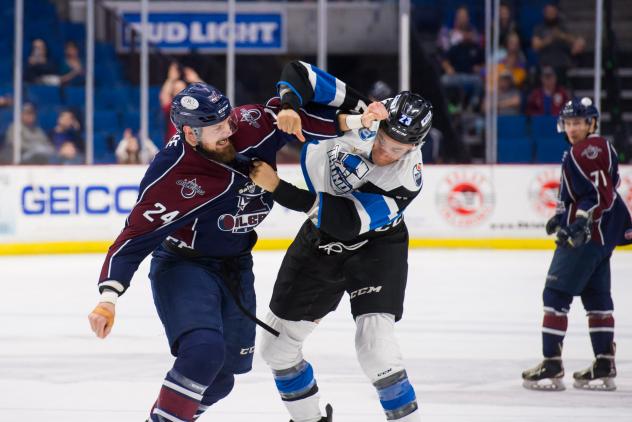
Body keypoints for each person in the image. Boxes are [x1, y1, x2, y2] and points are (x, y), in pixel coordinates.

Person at [87, 81, 377, 422]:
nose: (228, 130)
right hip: (185, 265)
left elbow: (298, 116)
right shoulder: (171, 174)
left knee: (223, 378)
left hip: (236, 266)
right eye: (216, 128)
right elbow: (135, 236)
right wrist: (109, 297)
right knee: (204, 353)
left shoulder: (249, 124)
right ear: (190, 134)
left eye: (227, 120)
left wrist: (357, 120)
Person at [249, 60, 432, 422]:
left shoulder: (406, 180)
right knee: (275, 348)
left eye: (397, 149)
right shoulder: (358, 110)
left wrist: (276, 188)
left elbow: (346, 223)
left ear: (415, 147)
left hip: (377, 247)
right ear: (378, 121)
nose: (385, 153)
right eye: (383, 140)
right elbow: (298, 73)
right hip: (319, 240)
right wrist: (289, 106)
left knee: (376, 350)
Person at [522, 97, 632, 391]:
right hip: (602, 238)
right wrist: (562, 216)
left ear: (591, 123)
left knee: (555, 295)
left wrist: (579, 221)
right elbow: (611, 185)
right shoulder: (604, 148)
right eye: (569, 122)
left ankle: (552, 364)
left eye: (578, 122)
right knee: (597, 299)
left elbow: (596, 195)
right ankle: (604, 362)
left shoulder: (583, 151)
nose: (572, 128)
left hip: (583, 237)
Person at [532, 3, 585, 75]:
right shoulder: (539, 28)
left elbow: (577, 42)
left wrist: (562, 36)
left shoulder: (563, 27)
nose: (551, 14)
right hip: (545, 64)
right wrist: (550, 38)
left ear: (556, 13)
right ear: (544, 13)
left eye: (552, 12)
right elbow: (535, 46)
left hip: (562, 65)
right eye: (549, 12)